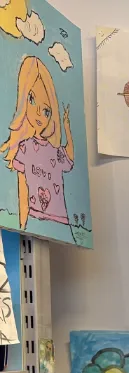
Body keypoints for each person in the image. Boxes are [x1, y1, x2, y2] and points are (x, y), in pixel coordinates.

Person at [0, 57, 76, 243]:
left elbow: (69, 160)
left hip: (61, 223)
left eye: (46, 111)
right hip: (34, 220)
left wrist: (67, 128)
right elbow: (22, 190)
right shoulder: (24, 148)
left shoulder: (54, 150)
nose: (39, 115)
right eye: (32, 99)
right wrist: (23, 225)